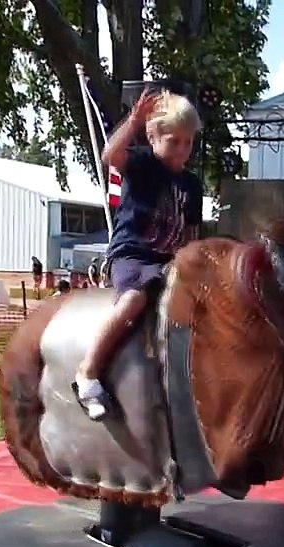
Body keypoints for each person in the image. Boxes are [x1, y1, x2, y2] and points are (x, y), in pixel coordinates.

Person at [73, 88, 204, 420]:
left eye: (188, 142)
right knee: (134, 300)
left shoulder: (192, 185)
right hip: (133, 255)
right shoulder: (143, 164)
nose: (182, 149)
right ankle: (87, 373)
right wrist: (132, 121)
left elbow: (191, 233)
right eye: (174, 140)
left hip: (169, 262)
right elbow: (109, 156)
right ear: (153, 136)